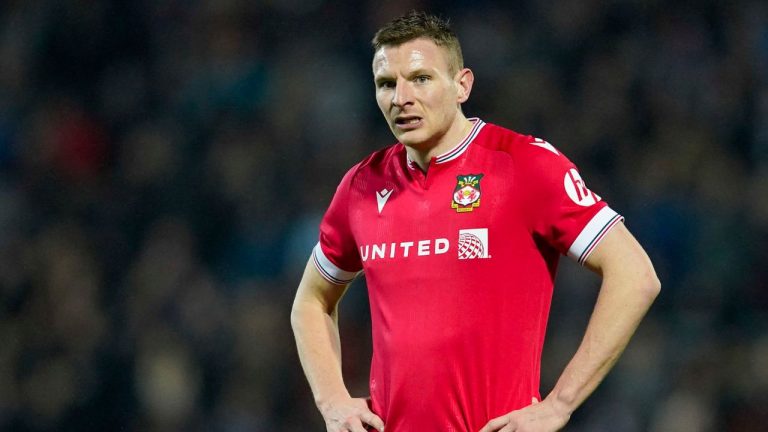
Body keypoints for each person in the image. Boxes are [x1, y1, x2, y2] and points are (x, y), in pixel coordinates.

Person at [291, 10, 660, 432]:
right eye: (386, 84)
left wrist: (560, 403)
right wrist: (333, 401)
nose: (401, 98)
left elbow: (635, 275)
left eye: (421, 78)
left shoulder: (523, 164)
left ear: (462, 84)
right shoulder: (362, 185)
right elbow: (311, 301)